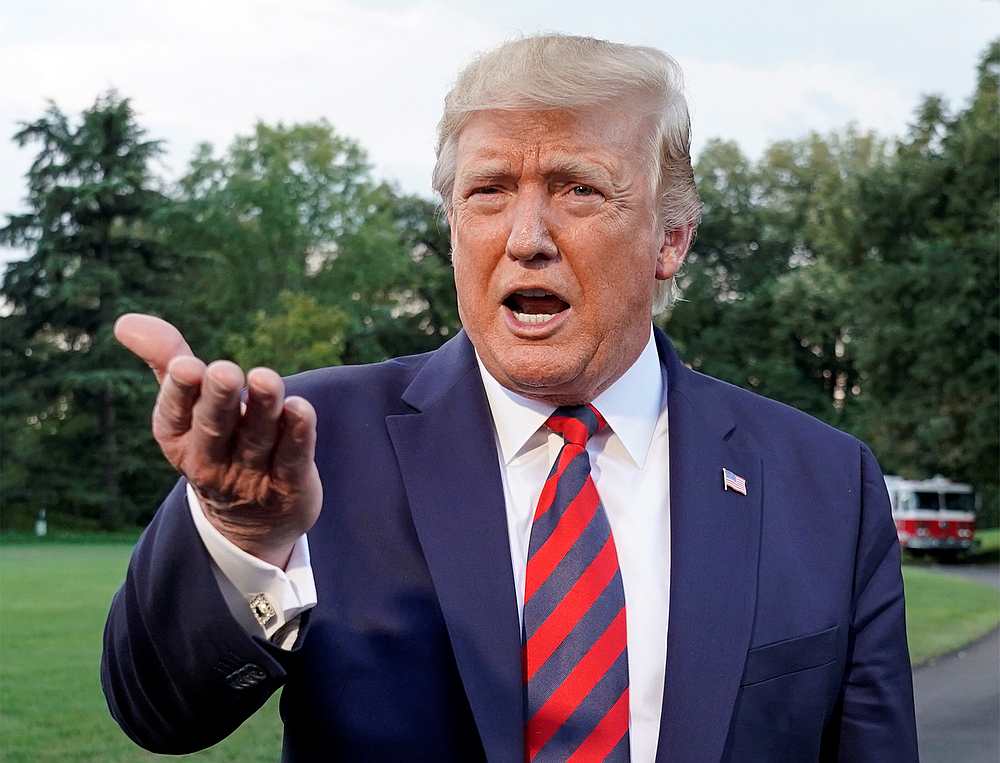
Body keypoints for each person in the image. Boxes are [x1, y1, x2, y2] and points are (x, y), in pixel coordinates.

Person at [101, 34, 919, 762]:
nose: (527, 235)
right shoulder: (309, 444)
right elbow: (159, 713)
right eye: (489, 190)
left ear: (670, 239)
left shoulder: (825, 482)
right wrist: (242, 535)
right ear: (455, 225)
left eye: (578, 190)